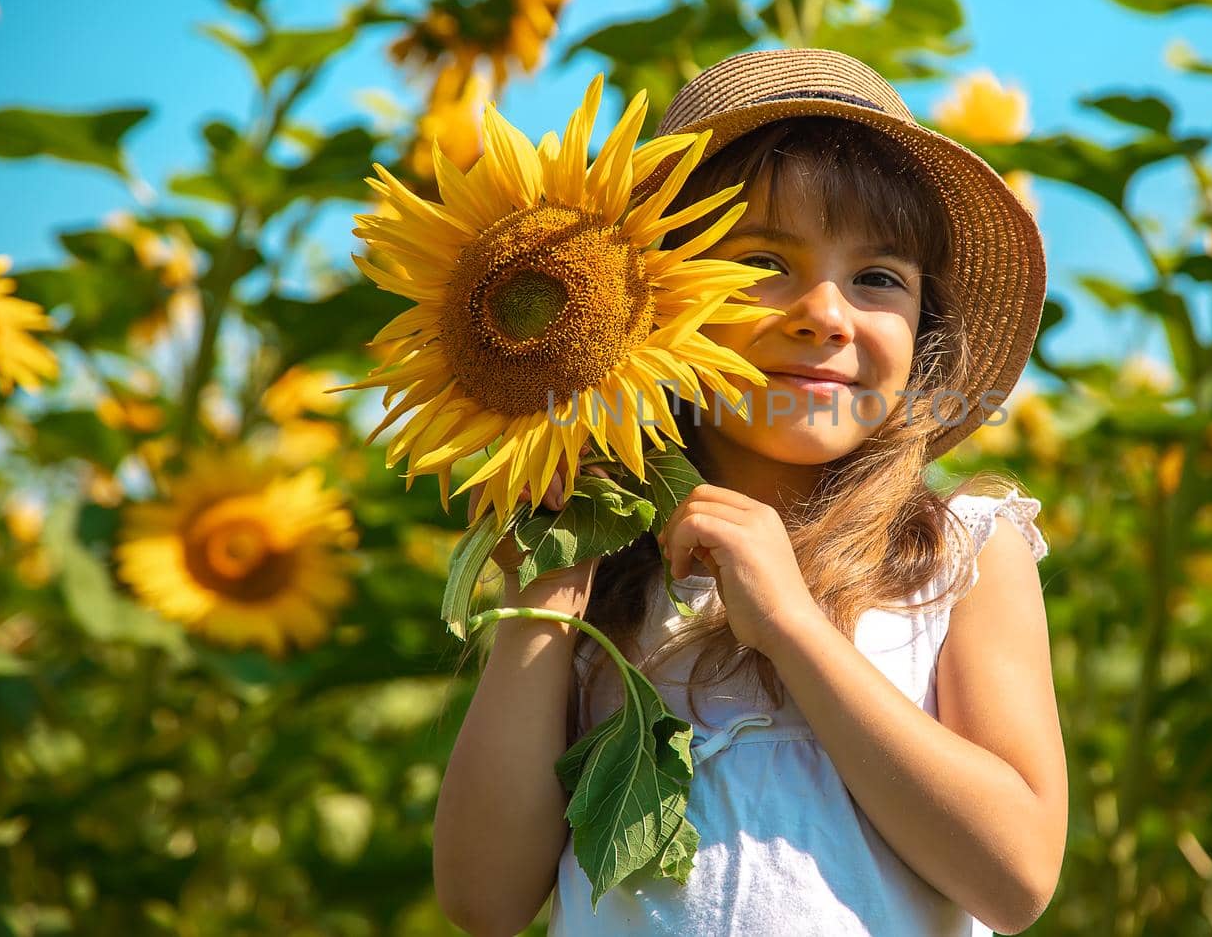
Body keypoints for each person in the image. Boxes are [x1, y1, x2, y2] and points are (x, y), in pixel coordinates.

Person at [433, 47, 1065, 937]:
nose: (826, 312)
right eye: (764, 263)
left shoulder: (956, 552)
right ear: (649, 298)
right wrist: (543, 597)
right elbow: (483, 899)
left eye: (878, 278)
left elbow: (1016, 875)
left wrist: (795, 626)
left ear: (926, 326)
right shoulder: (613, 580)